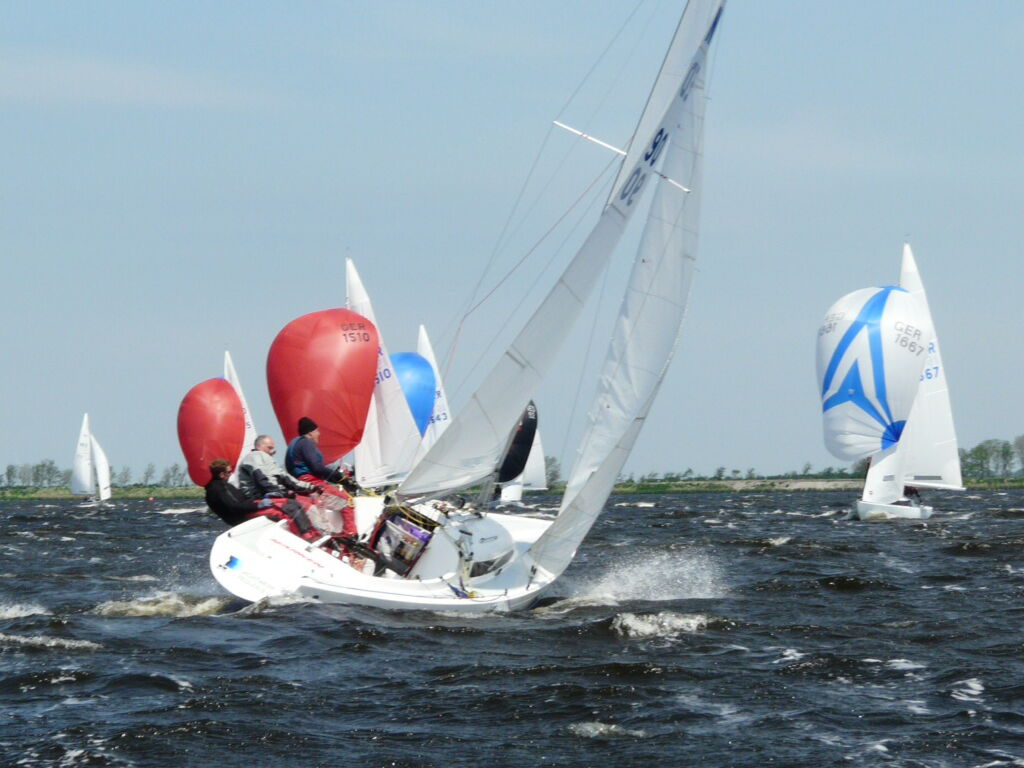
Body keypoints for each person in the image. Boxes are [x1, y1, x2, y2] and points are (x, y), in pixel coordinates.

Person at [204, 458, 316, 538]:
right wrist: (259, 505)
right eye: (229, 472)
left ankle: (309, 531)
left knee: (291, 502)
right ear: (221, 475)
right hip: (243, 516)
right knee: (287, 509)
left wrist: (265, 498)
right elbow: (235, 506)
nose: (231, 473)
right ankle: (305, 537)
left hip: (248, 507)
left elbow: (241, 500)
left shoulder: (224, 485)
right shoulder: (218, 489)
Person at [285, 417, 358, 538]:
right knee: (348, 501)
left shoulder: (293, 445)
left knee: (322, 517)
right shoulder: (306, 443)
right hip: (312, 484)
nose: (319, 434)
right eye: (317, 431)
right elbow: (317, 468)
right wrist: (340, 478)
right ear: (310, 433)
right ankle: (352, 537)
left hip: (299, 487)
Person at [238, 434, 317, 501]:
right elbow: (261, 480)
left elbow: (289, 480)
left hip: (275, 494)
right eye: (269, 448)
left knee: (310, 501)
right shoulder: (253, 457)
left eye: (273, 448)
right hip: (261, 499)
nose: (272, 452)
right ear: (258, 446)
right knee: (305, 507)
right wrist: (282, 493)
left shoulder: (268, 460)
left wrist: (311, 487)